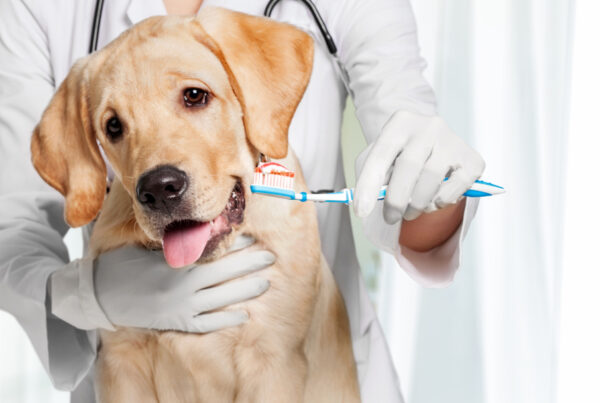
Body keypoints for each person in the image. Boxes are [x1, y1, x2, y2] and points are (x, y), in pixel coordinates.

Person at [0, 0, 484, 402]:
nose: (160, 177)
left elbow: (402, 175)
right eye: (114, 127)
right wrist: (86, 295)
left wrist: (428, 183)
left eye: (194, 95)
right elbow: (11, 232)